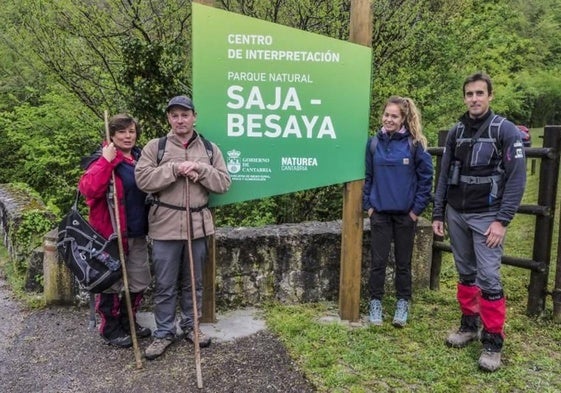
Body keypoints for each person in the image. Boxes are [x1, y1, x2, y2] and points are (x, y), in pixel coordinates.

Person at [432, 73, 526, 372]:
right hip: (457, 213)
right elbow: (444, 174)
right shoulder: (456, 131)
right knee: (465, 272)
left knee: (488, 276)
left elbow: (516, 180)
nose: (474, 98)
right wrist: (438, 212)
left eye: (480, 93)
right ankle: (469, 325)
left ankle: (493, 341)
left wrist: (502, 220)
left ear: (490, 95)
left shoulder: (505, 130)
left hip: (488, 216)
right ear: (464, 97)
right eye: (469, 94)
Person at [135, 95, 231, 360]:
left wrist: (200, 169)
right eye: (174, 115)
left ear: (194, 117)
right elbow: (142, 179)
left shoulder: (210, 149)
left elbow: (223, 183)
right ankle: (164, 332)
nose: (180, 120)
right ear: (169, 118)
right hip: (165, 225)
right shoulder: (157, 147)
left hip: (197, 226)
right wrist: (174, 169)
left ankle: (192, 327)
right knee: (165, 284)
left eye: (184, 114)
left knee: (194, 283)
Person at [79, 113, 152, 348]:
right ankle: (110, 328)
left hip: (137, 231)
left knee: (138, 281)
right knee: (111, 282)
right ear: (111, 135)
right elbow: (89, 189)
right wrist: (107, 161)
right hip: (109, 234)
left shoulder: (140, 158)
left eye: (131, 131)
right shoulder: (101, 159)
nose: (127, 136)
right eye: (121, 132)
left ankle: (128, 321)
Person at [362, 96, 433, 328]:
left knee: (403, 263)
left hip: (405, 216)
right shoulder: (373, 144)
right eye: (386, 115)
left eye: (394, 116)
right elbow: (368, 177)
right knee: (378, 262)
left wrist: (415, 211)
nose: (389, 119)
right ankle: (375, 303)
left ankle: (403, 302)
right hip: (380, 213)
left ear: (403, 118)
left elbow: (426, 179)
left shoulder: (415, 145)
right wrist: (369, 206)